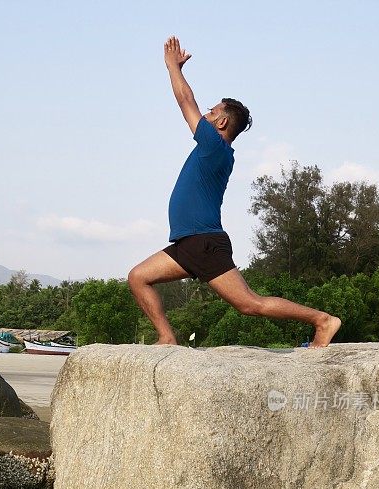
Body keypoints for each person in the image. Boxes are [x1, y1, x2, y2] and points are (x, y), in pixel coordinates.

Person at [128, 36, 341, 348]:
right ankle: (167, 337)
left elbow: (186, 101)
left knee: (249, 304)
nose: (205, 114)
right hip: (190, 242)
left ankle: (323, 321)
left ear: (222, 122)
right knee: (138, 277)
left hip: (203, 242)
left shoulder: (215, 146)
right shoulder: (215, 149)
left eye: (212, 111)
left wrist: (172, 67)